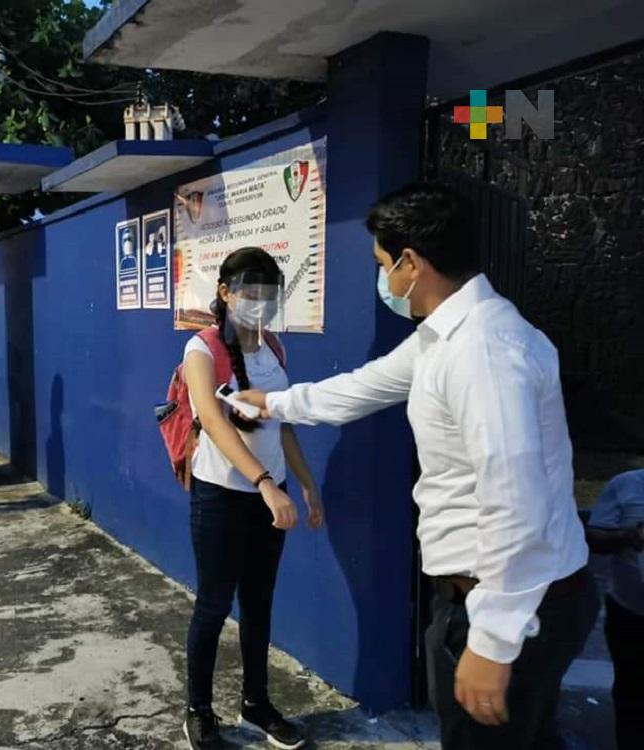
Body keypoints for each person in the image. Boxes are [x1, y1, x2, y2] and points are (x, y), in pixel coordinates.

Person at [239, 184, 597, 750]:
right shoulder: (444, 338)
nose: (384, 280)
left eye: (383, 264)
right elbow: (364, 387)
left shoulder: (482, 351)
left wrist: (493, 641)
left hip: (506, 604)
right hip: (497, 596)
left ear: (411, 262)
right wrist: (274, 403)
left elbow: (515, 498)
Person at [181, 248, 322, 750]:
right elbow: (215, 423)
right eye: (250, 293)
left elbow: (281, 424)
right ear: (225, 293)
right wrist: (265, 483)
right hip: (222, 496)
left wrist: (303, 481)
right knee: (214, 605)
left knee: (259, 604)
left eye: (268, 295)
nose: (260, 303)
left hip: (272, 495)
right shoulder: (201, 349)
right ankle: (198, 709)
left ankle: (256, 703)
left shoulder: (275, 351)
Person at [584, 469, 644, 750]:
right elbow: (594, 538)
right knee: (630, 692)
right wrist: (626, 536)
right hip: (629, 610)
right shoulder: (624, 484)